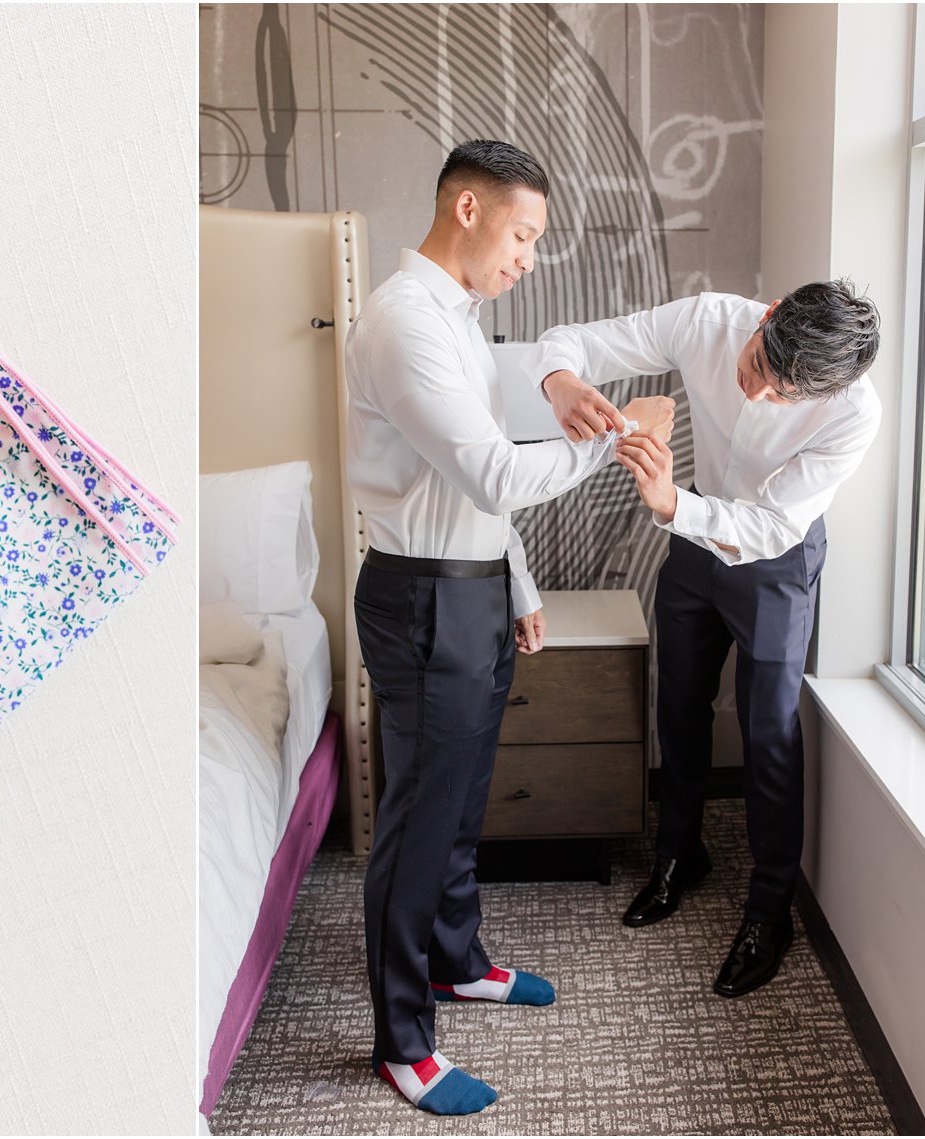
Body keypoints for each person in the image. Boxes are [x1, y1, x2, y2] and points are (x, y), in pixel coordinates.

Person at [345, 138, 674, 1116]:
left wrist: (517, 580)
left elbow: (472, 479)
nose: (527, 255)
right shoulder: (404, 323)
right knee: (415, 821)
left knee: (459, 800)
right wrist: (622, 435)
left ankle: (455, 960)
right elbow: (493, 475)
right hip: (419, 598)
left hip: (471, 584)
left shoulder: (459, 320)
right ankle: (402, 1041)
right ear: (466, 209)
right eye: (521, 233)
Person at [527, 280, 880, 998]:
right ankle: (678, 856)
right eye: (757, 370)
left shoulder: (856, 414)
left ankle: (769, 910)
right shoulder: (706, 320)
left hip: (773, 557)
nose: (758, 399)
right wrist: (560, 381)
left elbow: (775, 524)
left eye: (785, 397)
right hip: (690, 542)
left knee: (769, 731)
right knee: (678, 703)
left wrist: (670, 503)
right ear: (770, 314)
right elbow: (572, 338)